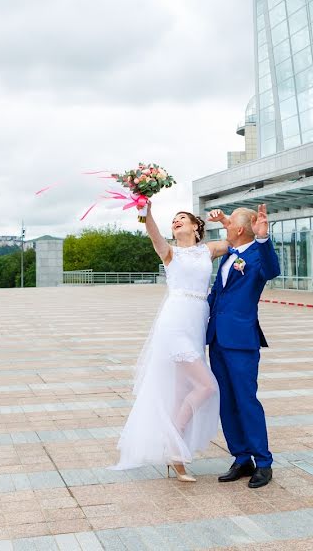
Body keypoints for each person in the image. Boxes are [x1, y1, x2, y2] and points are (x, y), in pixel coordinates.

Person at [110, 201, 228, 481]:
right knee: (207, 386)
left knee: (181, 391)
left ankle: (176, 458)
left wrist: (223, 219)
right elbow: (153, 234)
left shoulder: (208, 250)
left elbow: (236, 238)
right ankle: (173, 442)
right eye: (173, 219)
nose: (176, 222)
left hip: (196, 324)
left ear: (196, 227)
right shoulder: (170, 253)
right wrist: (146, 211)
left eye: (182, 218)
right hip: (174, 323)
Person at [205, 204, 281, 488]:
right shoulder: (228, 255)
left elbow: (272, 270)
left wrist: (263, 238)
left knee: (246, 400)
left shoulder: (258, 256)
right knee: (227, 402)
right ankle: (241, 457)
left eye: (228, 224)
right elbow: (216, 295)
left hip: (241, 339)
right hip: (217, 338)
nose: (224, 227)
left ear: (239, 229)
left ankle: (263, 462)